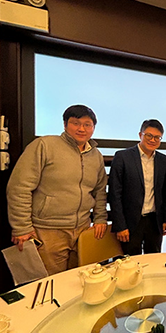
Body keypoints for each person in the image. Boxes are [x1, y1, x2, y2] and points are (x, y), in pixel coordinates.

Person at [7, 104, 107, 275]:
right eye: (75, 123)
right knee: (50, 282)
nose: (81, 129)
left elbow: (100, 190)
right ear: (65, 124)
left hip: (83, 229)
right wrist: (21, 227)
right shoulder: (44, 145)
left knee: (80, 279)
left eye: (87, 124)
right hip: (48, 230)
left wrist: (100, 218)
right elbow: (19, 187)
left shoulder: (95, 155)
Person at [108, 119, 166, 255]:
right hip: (130, 222)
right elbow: (114, 193)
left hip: (154, 221)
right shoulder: (123, 157)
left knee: (154, 260)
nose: (152, 140)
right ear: (140, 135)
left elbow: (164, 192)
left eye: (157, 137)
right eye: (149, 135)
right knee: (131, 261)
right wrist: (120, 225)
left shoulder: (163, 160)